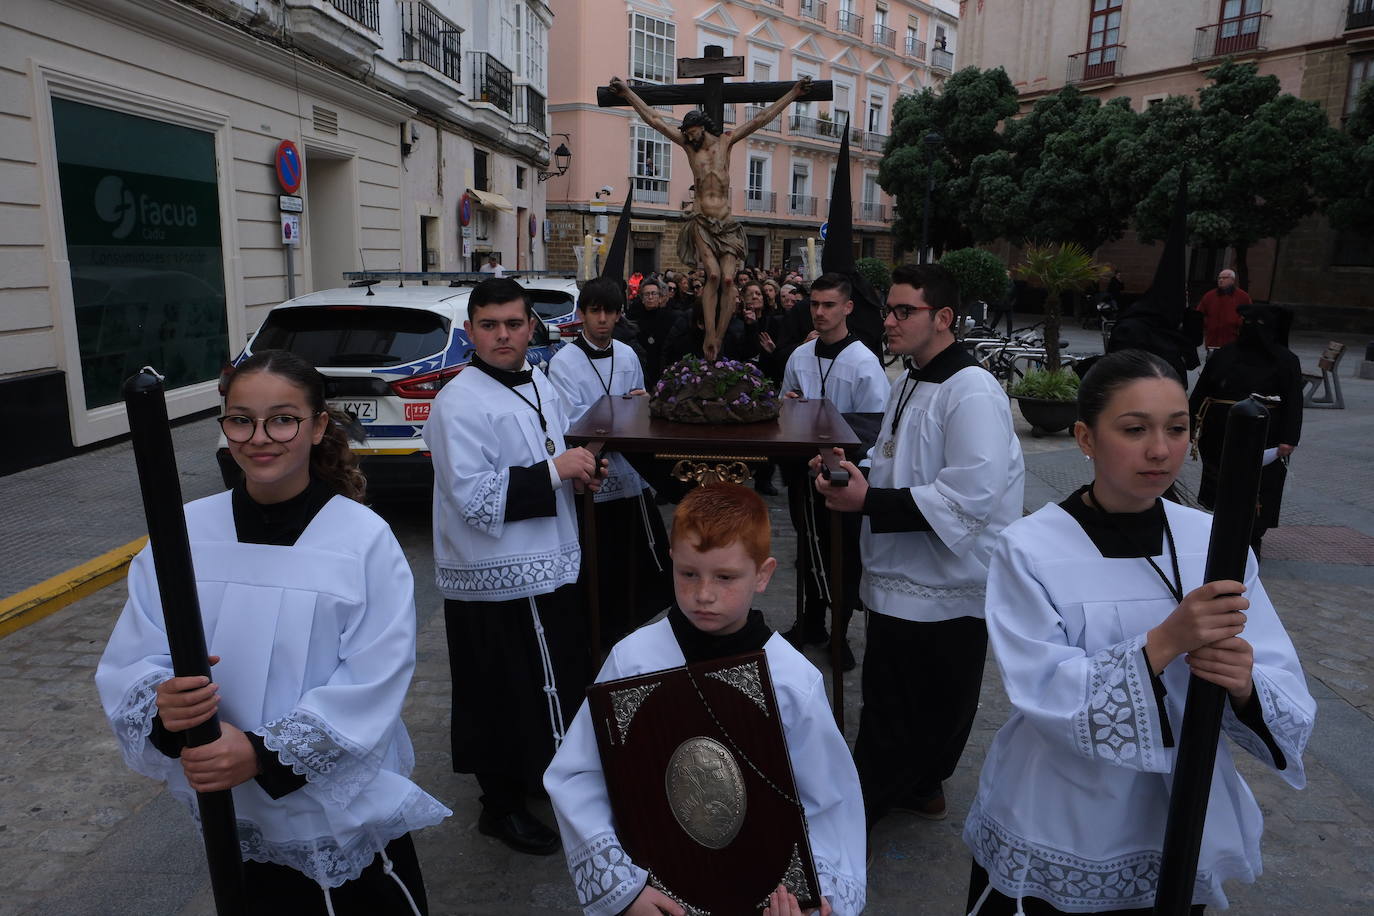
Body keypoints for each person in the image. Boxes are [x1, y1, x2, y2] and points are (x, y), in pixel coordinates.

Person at [96, 349, 448, 913]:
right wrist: (165, 708)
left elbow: (374, 676)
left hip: (335, 812)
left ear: (318, 426)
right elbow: (136, 653)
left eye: (283, 419)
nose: (259, 438)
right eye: (241, 420)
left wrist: (263, 753)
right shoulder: (186, 530)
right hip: (229, 808)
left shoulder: (362, 539)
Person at [963, 349, 1315, 914]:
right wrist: (1165, 642)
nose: (1160, 450)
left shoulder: (1213, 541)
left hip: (1184, 801)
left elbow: (1277, 672)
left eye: (1176, 429)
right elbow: (1041, 688)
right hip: (1064, 809)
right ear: (1086, 437)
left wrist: (1244, 683)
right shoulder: (1029, 548)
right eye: (1134, 429)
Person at [543, 483, 868, 916]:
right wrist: (624, 889)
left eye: (725, 577)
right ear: (671, 561)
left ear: (763, 574)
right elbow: (579, 774)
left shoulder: (791, 679)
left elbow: (828, 801)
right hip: (655, 887)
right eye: (688, 574)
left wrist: (814, 897)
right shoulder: (634, 659)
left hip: (762, 891)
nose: (704, 594)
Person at [813, 263, 1024, 827]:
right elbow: (893, 462)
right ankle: (923, 789)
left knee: (912, 706)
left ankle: (858, 817)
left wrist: (868, 502)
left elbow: (970, 497)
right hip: (902, 573)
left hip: (945, 582)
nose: (889, 320)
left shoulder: (972, 390)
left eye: (904, 311)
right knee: (898, 697)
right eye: (889, 309)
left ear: (944, 317)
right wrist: (851, 471)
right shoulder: (909, 378)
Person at [428, 277, 605, 856]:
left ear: (532, 327)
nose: (502, 335)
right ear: (470, 331)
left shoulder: (539, 379)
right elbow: (474, 499)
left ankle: (538, 774)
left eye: (513, 323)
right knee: (499, 690)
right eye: (489, 325)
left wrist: (578, 473)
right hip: (494, 575)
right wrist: (558, 470)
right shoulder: (459, 401)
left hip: (546, 561)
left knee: (548, 679)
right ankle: (498, 806)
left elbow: (549, 454)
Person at [609, 74, 813, 359]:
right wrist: (627, 94)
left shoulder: (726, 142)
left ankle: (718, 335)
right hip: (702, 222)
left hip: (726, 223)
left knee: (728, 280)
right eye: (687, 132)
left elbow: (761, 118)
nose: (689, 136)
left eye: (692, 131)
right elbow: (655, 120)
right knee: (713, 275)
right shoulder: (688, 147)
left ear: (702, 127)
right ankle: (709, 337)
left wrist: (793, 93)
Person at [547, 277, 673, 641]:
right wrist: (623, 414)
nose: (602, 319)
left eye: (609, 311)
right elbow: (572, 423)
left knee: (637, 563)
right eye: (595, 311)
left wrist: (641, 405)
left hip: (629, 476)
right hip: (592, 480)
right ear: (582, 314)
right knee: (599, 564)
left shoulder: (627, 354)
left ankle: (630, 634)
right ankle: (597, 638)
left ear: (619, 314)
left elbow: (640, 404)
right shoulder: (564, 362)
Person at [781, 273, 889, 670]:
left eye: (829, 305)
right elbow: (782, 404)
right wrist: (791, 405)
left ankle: (840, 633)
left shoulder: (863, 361)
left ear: (847, 307)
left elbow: (874, 424)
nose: (820, 312)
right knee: (808, 549)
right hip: (802, 471)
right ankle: (810, 623)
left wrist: (835, 450)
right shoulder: (800, 356)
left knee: (841, 554)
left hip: (844, 476)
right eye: (815, 304)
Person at [1189, 305, 1303, 559]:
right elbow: (1202, 391)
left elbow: (1294, 401)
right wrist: (1189, 424)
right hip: (1220, 434)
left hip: (1265, 436)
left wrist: (1289, 438)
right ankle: (1222, 531)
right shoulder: (1225, 355)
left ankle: (1252, 538)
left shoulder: (1284, 360)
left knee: (1259, 487)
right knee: (1223, 483)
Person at [1195, 268, 1252, 353]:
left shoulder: (1243, 297)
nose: (1221, 280)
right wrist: (1208, 324)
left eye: (1224, 278)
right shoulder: (1209, 296)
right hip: (1212, 340)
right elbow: (1199, 314)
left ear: (1232, 280)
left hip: (1233, 341)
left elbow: (1249, 316)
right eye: (1219, 278)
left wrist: (1237, 323)